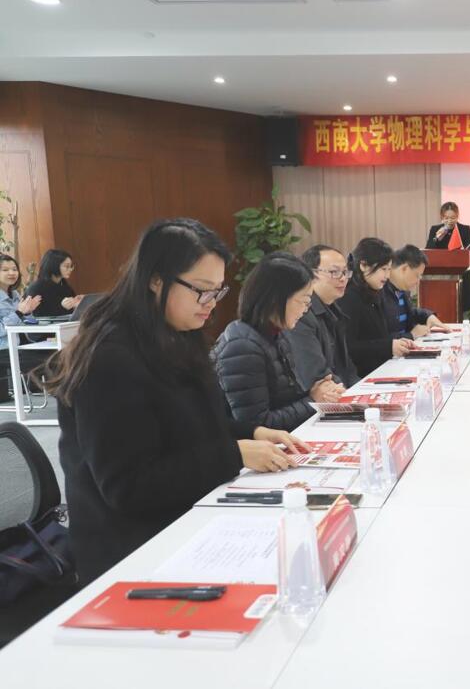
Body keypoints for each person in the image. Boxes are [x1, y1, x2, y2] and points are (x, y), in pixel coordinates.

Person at [43, 219, 306, 583]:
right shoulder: (109, 357)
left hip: (190, 519)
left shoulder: (177, 332)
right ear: (156, 280)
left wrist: (253, 432)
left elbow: (189, 423)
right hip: (134, 554)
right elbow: (129, 486)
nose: (210, 304)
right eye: (201, 291)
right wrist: (234, 454)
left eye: (217, 292)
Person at [215, 252, 342, 431]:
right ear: (276, 299)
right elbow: (257, 427)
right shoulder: (242, 346)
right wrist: (313, 400)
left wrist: (321, 391)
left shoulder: (274, 334)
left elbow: (286, 399)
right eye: (304, 301)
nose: (306, 310)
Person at [284, 244, 360, 390]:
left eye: (345, 272)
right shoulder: (301, 315)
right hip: (325, 397)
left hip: (343, 392)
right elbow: (316, 375)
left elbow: (347, 368)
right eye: (334, 272)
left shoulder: (335, 310)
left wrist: (361, 390)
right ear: (311, 274)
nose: (343, 279)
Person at [338, 238, 415, 377]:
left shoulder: (375, 292)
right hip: (360, 377)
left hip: (380, 370)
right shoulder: (349, 297)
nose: (387, 275)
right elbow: (348, 347)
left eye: (389, 269)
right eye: (383, 269)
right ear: (363, 265)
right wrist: (388, 346)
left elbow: (377, 336)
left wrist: (397, 341)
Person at [0, 254, 44, 400]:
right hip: (3, 349)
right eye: (5, 270)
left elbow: (28, 326)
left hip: (18, 346)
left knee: (53, 353)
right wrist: (19, 313)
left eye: (14, 269)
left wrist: (29, 313)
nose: (11, 273)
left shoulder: (15, 295)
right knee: (49, 359)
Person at [383, 244, 445, 339]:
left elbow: (411, 313)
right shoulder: (379, 291)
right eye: (417, 275)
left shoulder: (401, 290)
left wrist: (428, 316)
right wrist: (411, 335)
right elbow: (378, 338)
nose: (418, 282)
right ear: (404, 268)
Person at [425, 201, 470, 314]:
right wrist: (437, 238)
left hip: (461, 276)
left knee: (461, 310)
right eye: (446, 218)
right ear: (441, 217)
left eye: (453, 217)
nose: (450, 220)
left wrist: (463, 250)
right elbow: (428, 251)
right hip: (440, 278)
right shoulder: (435, 229)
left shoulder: (464, 229)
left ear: (457, 216)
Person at [26, 249, 84, 317]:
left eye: (71, 266)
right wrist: (62, 307)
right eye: (67, 266)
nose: (70, 269)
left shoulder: (66, 287)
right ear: (54, 265)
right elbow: (35, 315)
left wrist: (78, 303)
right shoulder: (37, 287)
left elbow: (73, 313)